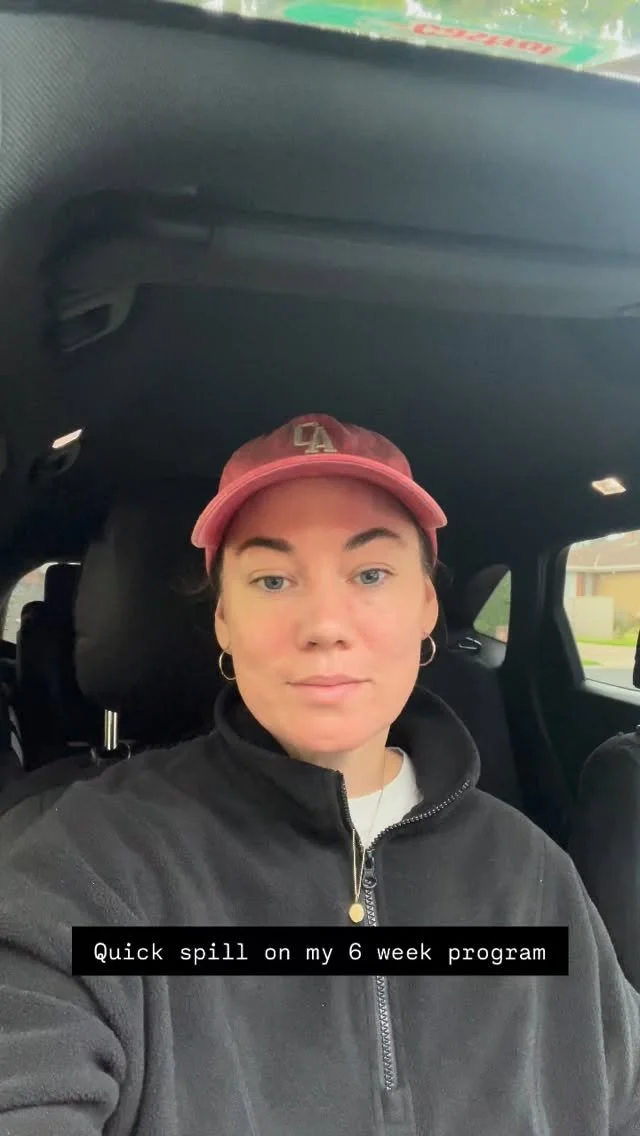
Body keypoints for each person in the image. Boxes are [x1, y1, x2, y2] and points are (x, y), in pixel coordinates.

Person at [0, 411, 638, 1136]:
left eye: (371, 573)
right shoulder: (91, 866)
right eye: (273, 579)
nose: (325, 625)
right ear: (224, 621)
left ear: (426, 606)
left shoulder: (532, 877)